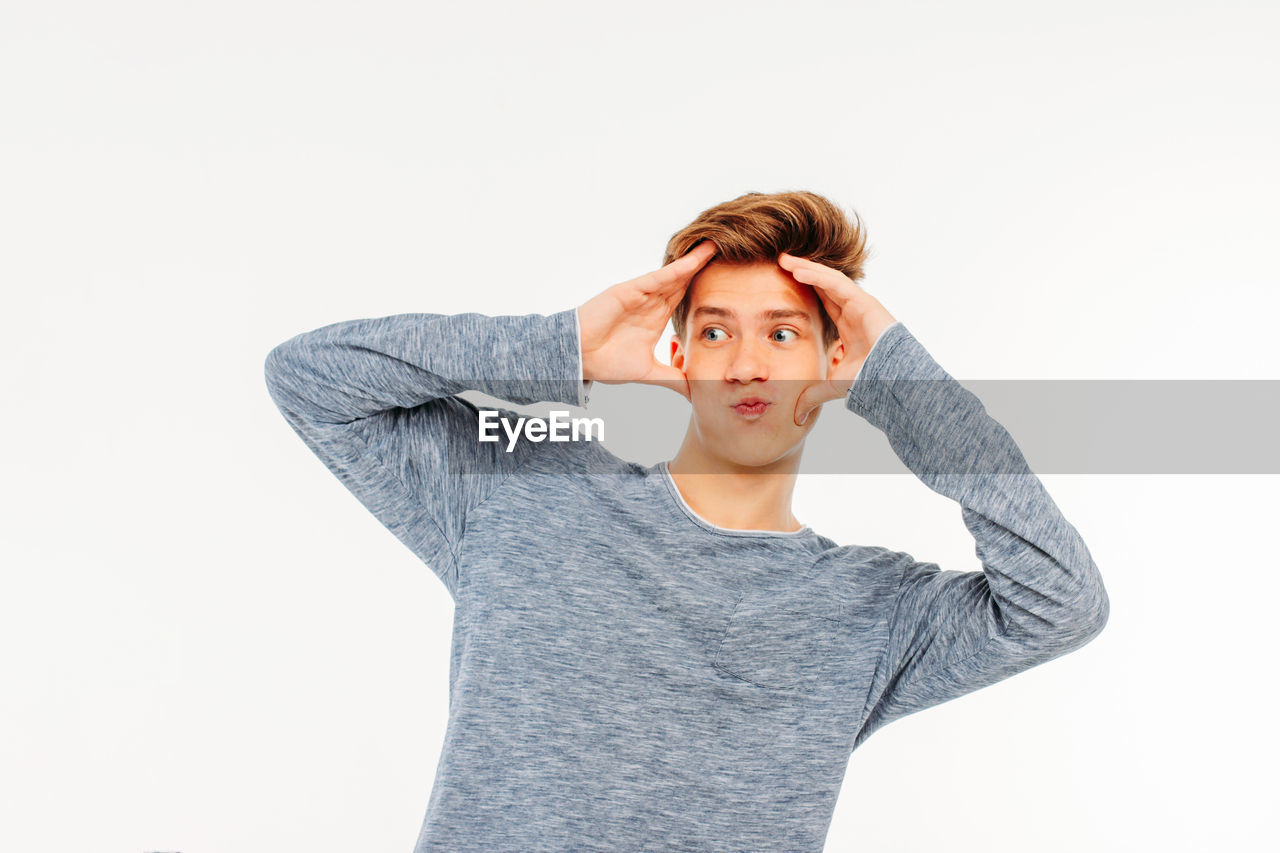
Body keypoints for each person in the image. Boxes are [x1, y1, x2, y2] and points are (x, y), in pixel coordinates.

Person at [263, 190, 1110, 852]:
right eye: (715, 331)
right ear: (679, 356)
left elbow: (1061, 601)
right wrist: (562, 348)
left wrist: (911, 391)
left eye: (783, 333)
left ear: (835, 366)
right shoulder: (528, 492)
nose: (747, 362)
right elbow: (311, 380)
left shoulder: (874, 611)